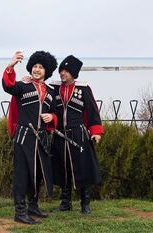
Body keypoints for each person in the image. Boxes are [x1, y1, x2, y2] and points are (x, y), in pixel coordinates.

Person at [2, 50, 58, 224]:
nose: (37, 69)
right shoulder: (22, 86)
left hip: (41, 138)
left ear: (46, 70)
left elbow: (55, 112)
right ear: (30, 68)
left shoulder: (51, 91)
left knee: (39, 173)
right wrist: (11, 66)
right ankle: (20, 212)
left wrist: (52, 118)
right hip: (24, 136)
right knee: (22, 174)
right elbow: (8, 86)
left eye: (41, 67)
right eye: (35, 66)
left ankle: (33, 206)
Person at [50, 55, 103, 214]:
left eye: (66, 71)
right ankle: (65, 203)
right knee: (62, 169)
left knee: (83, 169)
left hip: (79, 136)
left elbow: (93, 111)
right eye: (61, 71)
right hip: (60, 136)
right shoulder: (54, 88)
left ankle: (85, 203)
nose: (62, 74)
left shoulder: (84, 89)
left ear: (73, 72)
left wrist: (96, 132)